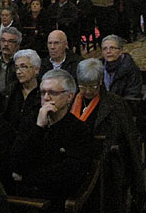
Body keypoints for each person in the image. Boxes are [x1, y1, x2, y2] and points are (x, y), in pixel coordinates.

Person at [73, 59, 146, 213]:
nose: (87, 91)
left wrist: (138, 186)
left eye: (92, 86)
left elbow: (130, 142)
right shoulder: (72, 100)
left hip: (106, 165)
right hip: (78, 162)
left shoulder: (115, 104)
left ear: (100, 82)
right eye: (83, 86)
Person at [10, 69, 93, 211]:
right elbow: (15, 162)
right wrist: (39, 127)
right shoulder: (31, 122)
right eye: (43, 93)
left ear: (69, 97)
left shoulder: (79, 130)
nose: (46, 98)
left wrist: (26, 177)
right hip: (22, 198)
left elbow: (68, 175)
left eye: (52, 93)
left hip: (55, 201)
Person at [3, 49, 41, 130]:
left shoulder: (44, 92)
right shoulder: (10, 90)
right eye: (16, 68)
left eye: (23, 67)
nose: (18, 72)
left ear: (36, 69)